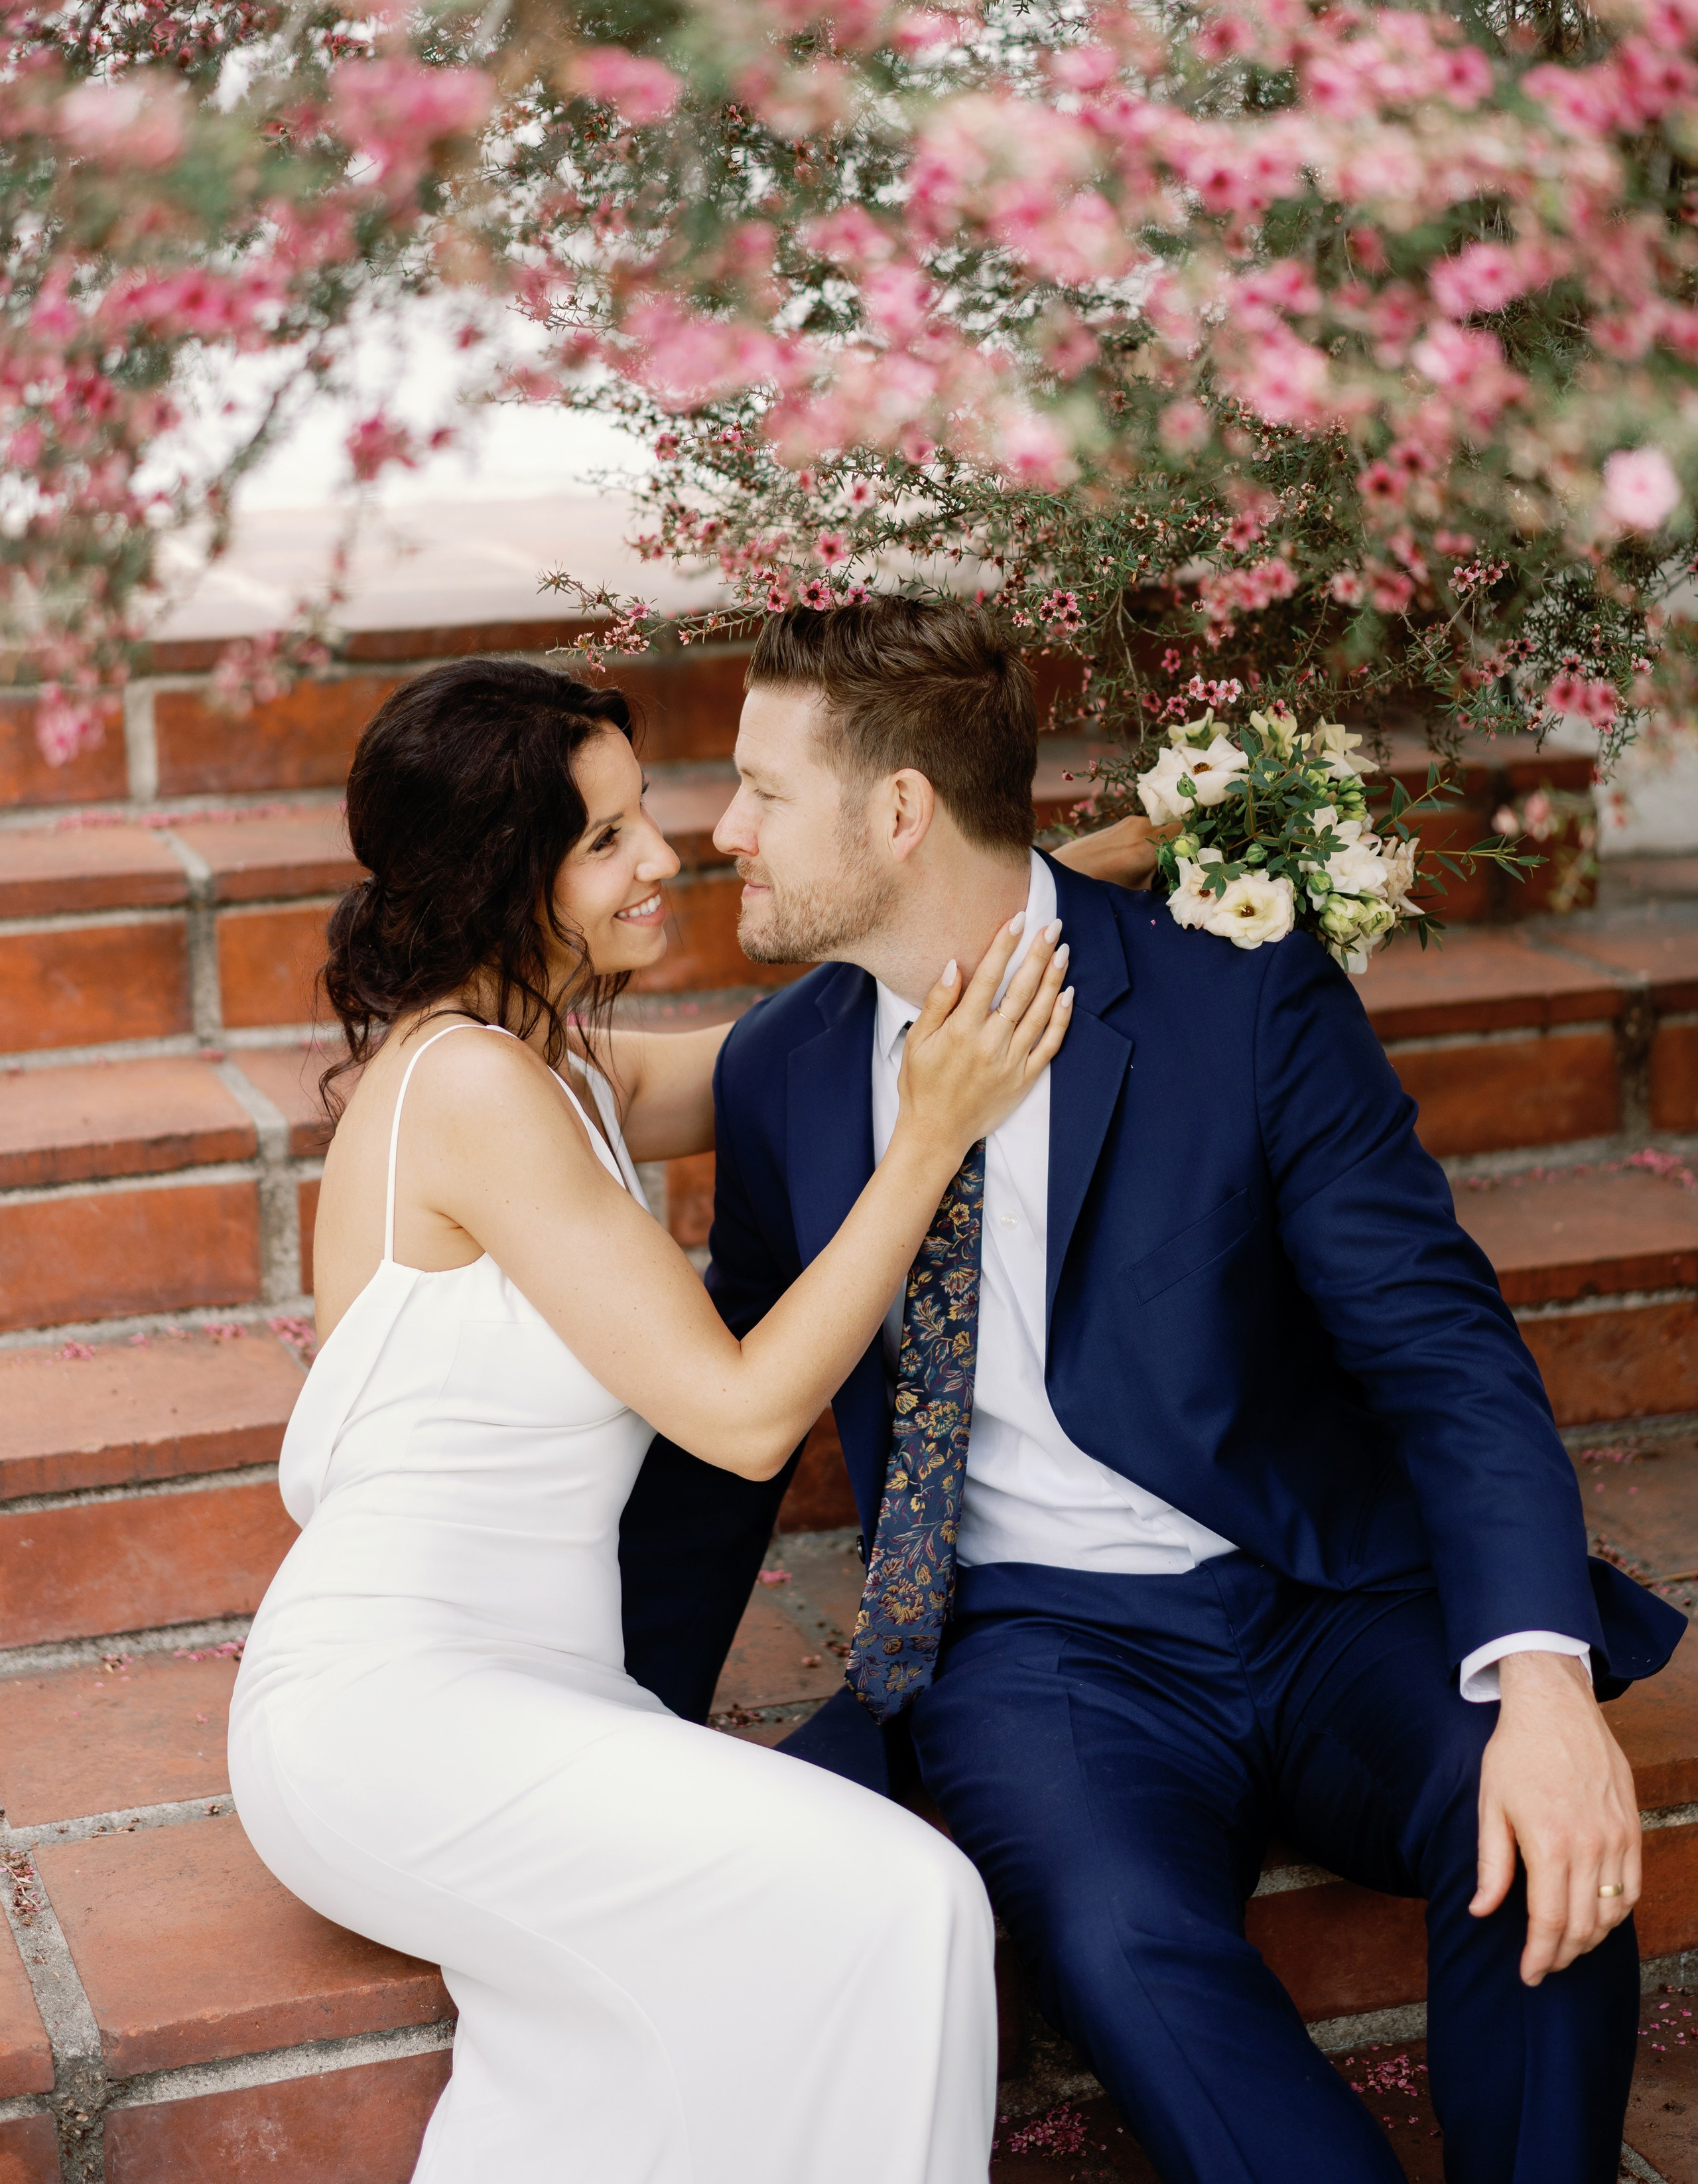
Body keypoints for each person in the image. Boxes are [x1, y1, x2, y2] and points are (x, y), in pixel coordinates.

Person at [620, 595, 1687, 2184]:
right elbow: (732, 1434)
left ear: (899, 811)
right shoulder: (785, 1072)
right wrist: (614, 1720)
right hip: (1038, 1641)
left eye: (764, 788)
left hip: (1318, 1589)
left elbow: (1439, 1345)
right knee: (1118, 1940)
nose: (723, 830)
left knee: (1522, 1826)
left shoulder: (1229, 996)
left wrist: (1538, 1689)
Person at [228, 653, 1079, 2184]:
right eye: (608, 837)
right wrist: (934, 1135)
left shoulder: (550, 1069)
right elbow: (747, 1417)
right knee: (909, 1897)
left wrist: (1057, 876)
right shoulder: (472, 1090)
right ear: (510, 876)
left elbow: (772, 1055)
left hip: (537, 1701)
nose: (666, 855)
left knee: (699, 2016)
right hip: (393, 1714)